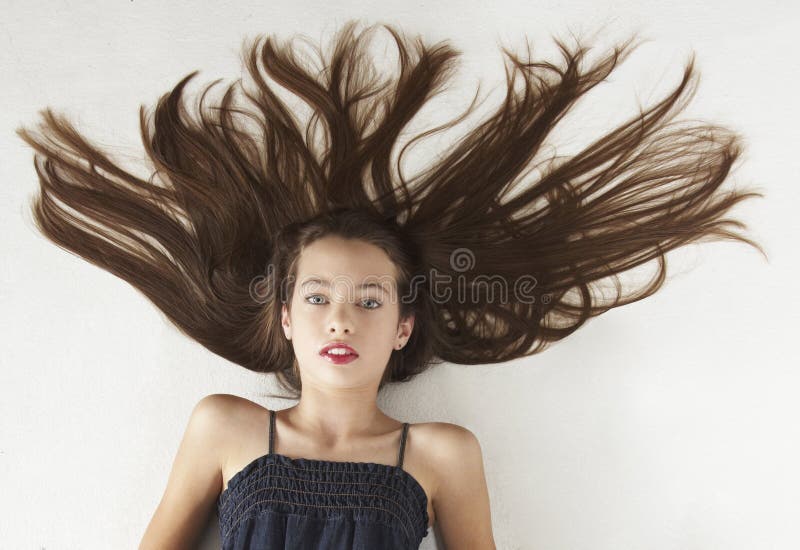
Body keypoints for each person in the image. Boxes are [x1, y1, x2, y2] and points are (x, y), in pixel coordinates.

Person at [16, 19, 766, 550]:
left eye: (369, 301)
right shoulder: (226, 426)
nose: (340, 321)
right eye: (318, 299)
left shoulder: (441, 454)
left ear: (402, 326)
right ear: (284, 317)